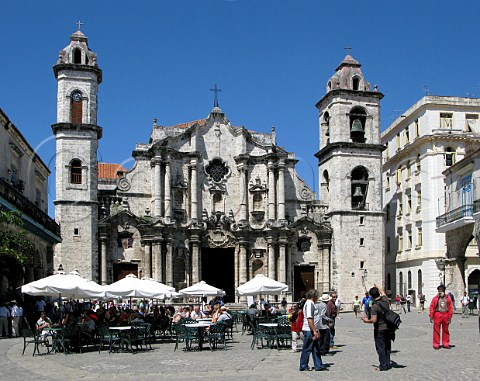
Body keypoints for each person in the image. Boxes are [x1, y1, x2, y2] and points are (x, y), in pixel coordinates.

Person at [362, 285, 392, 371]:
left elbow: (374, 320)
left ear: (371, 296)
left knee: (380, 347)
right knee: (387, 346)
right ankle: (387, 363)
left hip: (380, 329)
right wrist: (377, 286)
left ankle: (383, 366)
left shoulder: (374, 307)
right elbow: (383, 292)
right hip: (388, 328)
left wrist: (366, 321)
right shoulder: (385, 300)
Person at [299, 289, 327, 371]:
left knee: (316, 348)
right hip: (309, 330)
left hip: (312, 329)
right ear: (314, 296)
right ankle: (303, 365)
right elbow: (309, 318)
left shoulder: (311, 304)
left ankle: (318, 365)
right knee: (307, 348)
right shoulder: (309, 304)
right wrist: (314, 331)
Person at [429, 284, 453, 350]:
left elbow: (450, 307)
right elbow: (432, 307)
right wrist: (431, 316)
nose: (440, 292)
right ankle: (436, 344)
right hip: (438, 314)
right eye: (439, 290)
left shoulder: (448, 298)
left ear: (444, 291)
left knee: (446, 330)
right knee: (436, 330)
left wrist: (450, 316)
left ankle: (446, 343)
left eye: (441, 290)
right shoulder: (435, 298)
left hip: (445, 314)